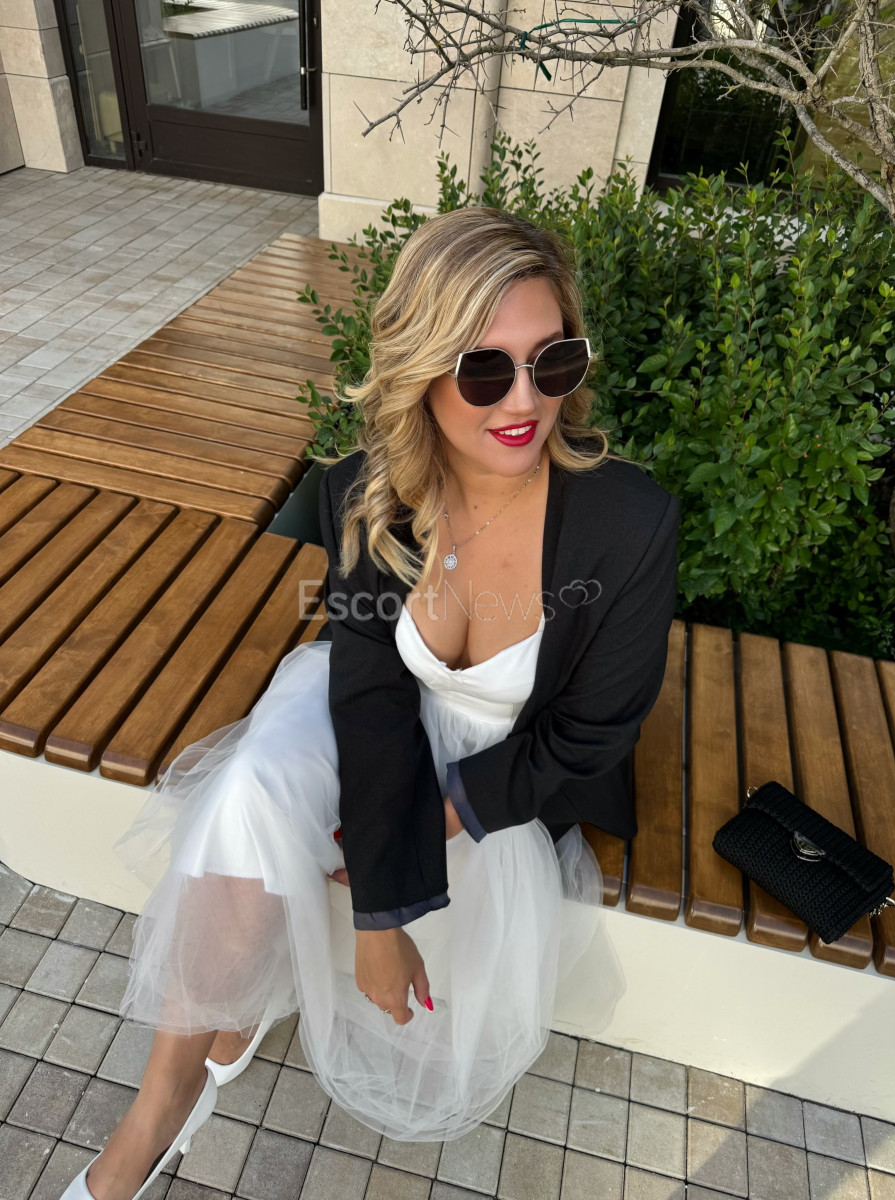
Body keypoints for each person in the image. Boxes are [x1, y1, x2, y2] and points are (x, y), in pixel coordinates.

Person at [61, 206, 680, 1200]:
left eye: (552, 361)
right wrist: (383, 911)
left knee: (293, 820)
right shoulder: (368, 491)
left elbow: (585, 737)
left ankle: (233, 1007)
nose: (526, 400)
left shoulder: (629, 521)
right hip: (374, 712)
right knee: (253, 788)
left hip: (502, 766)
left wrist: (398, 868)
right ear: (421, 370)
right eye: (485, 370)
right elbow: (371, 697)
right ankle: (160, 1106)